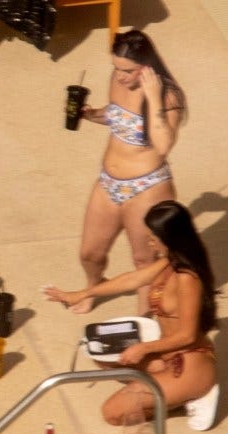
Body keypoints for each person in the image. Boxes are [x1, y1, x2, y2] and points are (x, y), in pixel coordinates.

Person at [44, 200, 220, 431]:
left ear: (170, 238)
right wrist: (82, 293)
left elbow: (187, 336)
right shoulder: (170, 261)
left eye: (153, 238)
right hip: (165, 357)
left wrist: (143, 348)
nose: (149, 242)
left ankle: (198, 392)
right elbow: (132, 280)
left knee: (113, 414)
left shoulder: (187, 279)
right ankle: (173, 392)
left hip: (189, 364)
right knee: (104, 357)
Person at [71, 30, 187, 314]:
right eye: (116, 68)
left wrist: (153, 98)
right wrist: (91, 114)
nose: (120, 76)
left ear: (146, 67)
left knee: (143, 261)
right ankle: (94, 286)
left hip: (146, 187)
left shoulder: (168, 96)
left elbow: (163, 145)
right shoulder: (118, 79)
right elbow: (116, 115)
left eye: (128, 71)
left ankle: (144, 319)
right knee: (90, 253)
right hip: (108, 182)